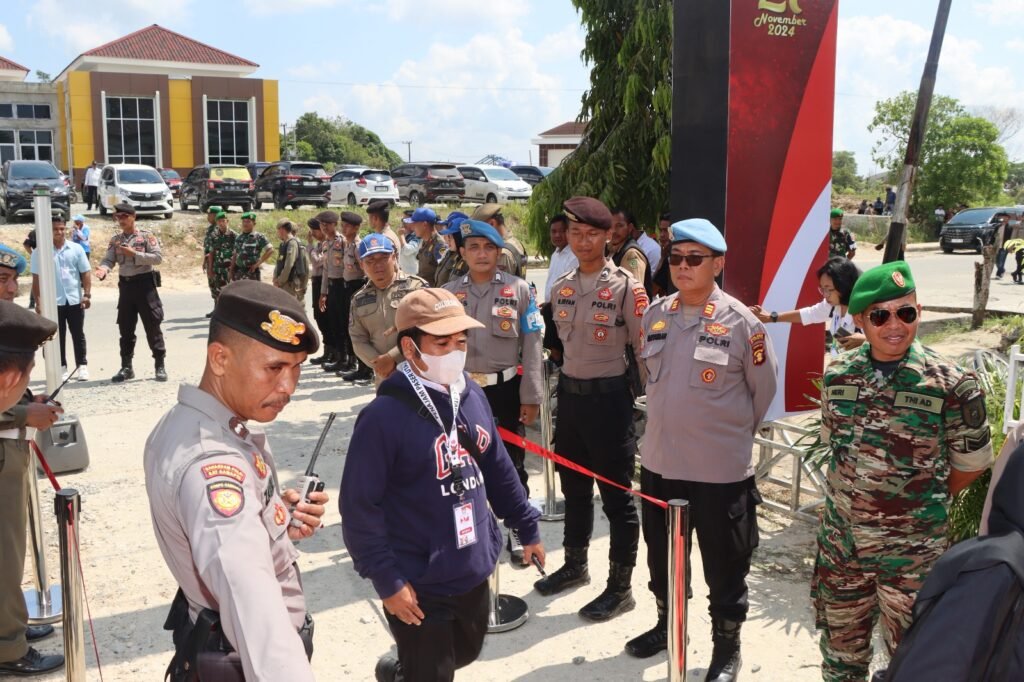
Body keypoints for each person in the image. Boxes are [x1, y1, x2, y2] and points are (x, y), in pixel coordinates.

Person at [340, 287, 544, 682]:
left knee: (464, 652)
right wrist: (387, 580)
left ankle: (400, 670)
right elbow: (359, 507)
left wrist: (526, 524)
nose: (455, 350)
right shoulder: (382, 418)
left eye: (461, 341)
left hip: (471, 562)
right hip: (418, 577)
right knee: (433, 672)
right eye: (442, 342)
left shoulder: (471, 395)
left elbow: (499, 466)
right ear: (410, 348)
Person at [813, 261, 993, 682]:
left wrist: (917, 502)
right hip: (843, 549)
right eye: (880, 315)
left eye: (905, 312)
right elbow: (834, 449)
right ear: (860, 320)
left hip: (912, 556)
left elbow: (972, 463)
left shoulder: (951, 383)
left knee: (916, 661)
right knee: (841, 658)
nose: (895, 325)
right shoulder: (839, 375)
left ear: (918, 310)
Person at [145, 280, 328, 682]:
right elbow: (252, 606)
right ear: (220, 359)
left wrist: (279, 518)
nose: (288, 387)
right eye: (274, 368)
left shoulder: (191, 423)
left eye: (296, 368)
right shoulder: (212, 464)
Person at [626, 219, 778, 680]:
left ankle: (726, 648)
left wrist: (719, 436)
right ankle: (667, 624)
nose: (683, 266)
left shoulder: (743, 324)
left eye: (695, 259)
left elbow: (763, 393)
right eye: (676, 258)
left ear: (719, 263)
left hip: (719, 474)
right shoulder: (655, 314)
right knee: (661, 560)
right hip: (659, 466)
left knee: (724, 567)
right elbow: (649, 379)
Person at [538, 196, 648, 622]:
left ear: (608, 236)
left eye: (592, 234)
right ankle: (574, 566)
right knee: (575, 489)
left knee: (618, 499)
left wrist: (647, 408)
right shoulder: (562, 286)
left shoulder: (625, 287)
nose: (583, 242)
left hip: (610, 403)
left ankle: (620, 589)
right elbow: (557, 345)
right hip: (570, 398)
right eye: (576, 233)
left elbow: (643, 352)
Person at [442, 220, 544, 562]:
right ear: (462, 252)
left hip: (504, 390)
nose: (481, 254)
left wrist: (530, 396)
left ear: (499, 253)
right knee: (459, 465)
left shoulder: (519, 290)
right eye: (473, 247)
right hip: (460, 390)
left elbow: (532, 345)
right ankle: (469, 532)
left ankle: (519, 529)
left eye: (488, 248)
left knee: (511, 465)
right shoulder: (448, 293)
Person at [0, 247, 64, 677]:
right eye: (2, 279)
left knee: (13, 550)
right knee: (4, 554)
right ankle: (8, 648)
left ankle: (12, 625)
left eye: (12, 280)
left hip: (11, 450)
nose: (10, 288)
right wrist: (24, 413)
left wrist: (26, 400)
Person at [95, 203, 168, 383]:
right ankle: (126, 367)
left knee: (152, 326)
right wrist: (104, 269)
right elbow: (108, 259)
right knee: (125, 328)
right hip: (126, 287)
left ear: (133, 217)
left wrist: (134, 253)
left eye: (124, 217)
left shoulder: (146, 237)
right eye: (118, 217)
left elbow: (158, 258)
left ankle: (159, 365)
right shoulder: (116, 240)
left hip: (144, 285)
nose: (121, 220)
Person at [347, 234, 426, 384]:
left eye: (383, 258)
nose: (378, 265)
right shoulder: (358, 299)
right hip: (384, 376)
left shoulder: (416, 288)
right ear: (361, 264)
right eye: (370, 261)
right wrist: (381, 364)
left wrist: (392, 358)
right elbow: (357, 339)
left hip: (419, 372)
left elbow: (426, 329)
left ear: (394, 257)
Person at [750, 257, 864, 357]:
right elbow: (809, 314)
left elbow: (882, 343)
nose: (825, 295)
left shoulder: (864, 310)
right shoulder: (832, 306)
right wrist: (771, 317)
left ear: (843, 285)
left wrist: (866, 341)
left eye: (829, 289)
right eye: (822, 289)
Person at [30, 215, 92, 381]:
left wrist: (86, 294)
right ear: (48, 231)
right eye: (55, 229)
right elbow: (36, 279)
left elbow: (85, 272)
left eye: (62, 229)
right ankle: (61, 367)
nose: (59, 232)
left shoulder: (76, 249)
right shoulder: (39, 252)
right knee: (58, 336)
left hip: (74, 299)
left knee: (78, 334)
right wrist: (38, 302)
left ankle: (82, 366)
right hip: (53, 302)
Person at [540, 213, 578, 365]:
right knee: (552, 350)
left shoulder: (573, 255)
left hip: (564, 311)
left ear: (568, 232)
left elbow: (568, 288)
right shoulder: (556, 254)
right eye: (553, 231)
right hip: (551, 310)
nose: (556, 235)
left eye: (561, 231)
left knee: (559, 352)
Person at [338, 212, 369, 378]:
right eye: (342, 225)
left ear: (356, 228)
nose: (343, 228)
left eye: (347, 225)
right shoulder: (347, 245)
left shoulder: (358, 246)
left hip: (357, 287)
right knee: (349, 327)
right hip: (347, 287)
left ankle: (365, 368)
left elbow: (366, 271)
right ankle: (354, 363)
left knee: (359, 328)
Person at [316, 211, 348, 373]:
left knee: (344, 324)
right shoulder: (326, 244)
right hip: (332, 287)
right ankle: (340, 357)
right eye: (322, 225)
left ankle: (349, 359)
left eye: (327, 225)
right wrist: (323, 293)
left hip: (343, 286)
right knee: (334, 322)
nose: (324, 228)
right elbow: (326, 271)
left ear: (335, 225)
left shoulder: (341, 242)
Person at [471, 204, 527, 278]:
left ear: (492, 223)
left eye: (480, 228)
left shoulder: (503, 253)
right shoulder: (514, 242)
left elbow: (497, 286)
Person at [609, 207, 652, 295]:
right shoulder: (611, 249)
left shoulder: (631, 254)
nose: (613, 231)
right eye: (610, 226)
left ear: (630, 228)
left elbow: (634, 294)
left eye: (619, 226)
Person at [305, 218, 330, 364]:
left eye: (315, 230)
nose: (313, 234)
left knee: (326, 317)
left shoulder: (326, 244)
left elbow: (316, 261)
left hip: (324, 281)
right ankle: (328, 351)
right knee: (318, 315)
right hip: (316, 280)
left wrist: (309, 245)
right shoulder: (319, 245)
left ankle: (336, 352)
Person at [406, 207, 446, 286]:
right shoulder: (425, 241)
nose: (412, 227)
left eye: (415, 224)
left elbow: (443, 274)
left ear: (424, 224)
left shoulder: (439, 244)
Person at [230, 212, 273, 282]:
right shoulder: (238, 237)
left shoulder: (259, 237)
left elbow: (270, 250)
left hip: (252, 273)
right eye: (243, 221)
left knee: (253, 293)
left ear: (254, 223)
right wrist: (231, 271)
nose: (245, 224)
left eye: (248, 221)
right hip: (239, 272)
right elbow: (235, 254)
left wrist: (257, 264)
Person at [273, 219, 307, 304]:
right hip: (284, 283)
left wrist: (280, 281)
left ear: (282, 230)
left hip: (289, 283)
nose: (277, 233)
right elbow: (279, 263)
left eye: (278, 230)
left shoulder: (292, 243)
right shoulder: (284, 244)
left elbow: (289, 265)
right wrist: (275, 278)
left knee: (291, 308)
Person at [206, 211, 236, 300]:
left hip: (229, 268)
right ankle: (217, 310)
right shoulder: (214, 235)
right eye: (219, 221)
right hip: (217, 267)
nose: (221, 223)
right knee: (216, 290)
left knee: (230, 291)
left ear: (227, 221)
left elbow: (236, 253)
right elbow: (211, 252)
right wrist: (210, 269)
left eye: (223, 221)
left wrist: (232, 269)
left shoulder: (233, 235)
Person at [434, 212, 470, 286]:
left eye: (450, 236)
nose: (447, 239)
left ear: (458, 238)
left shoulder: (469, 261)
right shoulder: (457, 257)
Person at [201, 206, 223, 317]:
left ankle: (220, 310)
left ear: (215, 216)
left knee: (219, 286)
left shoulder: (219, 230)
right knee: (213, 286)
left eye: (210, 214)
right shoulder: (210, 229)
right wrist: (205, 261)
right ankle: (216, 308)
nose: (208, 216)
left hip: (218, 263)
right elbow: (207, 248)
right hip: (210, 261)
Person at [651, 212, 677, 298]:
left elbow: (652, 290)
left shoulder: (673, 259)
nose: (662, 235)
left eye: (666, 231)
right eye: (661, 230)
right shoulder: (666, 257)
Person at [993, 212, 1012, 279]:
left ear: (1008, 219)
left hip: (1005, 246)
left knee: (1001, 260)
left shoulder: (1010, 227)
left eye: (1005, 217)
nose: (1003, 218)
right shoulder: (998, 226)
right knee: (996, 261)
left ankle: (999, 274)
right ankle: (1002, 270)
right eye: (1002, 217)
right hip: (997, 246)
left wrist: (1011, 247)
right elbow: (993, 236)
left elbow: (1011, 238)